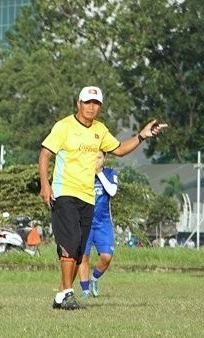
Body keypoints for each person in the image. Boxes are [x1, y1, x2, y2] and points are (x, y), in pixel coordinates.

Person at [39, 86, 167, 310]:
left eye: (95, 103)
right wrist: (45, 184)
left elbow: (119, 149)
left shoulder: (100, 130)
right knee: (69, 244)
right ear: (78, 103)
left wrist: (141, 136)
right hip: (64, 192)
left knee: (78, 249)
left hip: (87, 197)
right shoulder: (64, 126)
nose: (91, 107)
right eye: (87, 102)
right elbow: (45, 154)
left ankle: (61, 296)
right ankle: (68, 293)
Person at [78, 151, 118, 298]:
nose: (96, 160)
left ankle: (94, 278)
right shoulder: (82, 174)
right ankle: (85, 290)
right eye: (93, 157)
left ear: (105, 159)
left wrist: (99, 173)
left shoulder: (110, 173)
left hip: (103, 223)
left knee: (107, 257)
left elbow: (112, 191)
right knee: (83, 257)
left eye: (99, 157)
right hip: (85, 223)